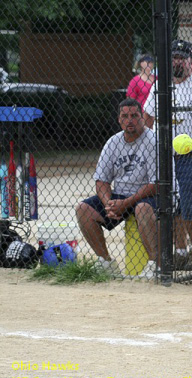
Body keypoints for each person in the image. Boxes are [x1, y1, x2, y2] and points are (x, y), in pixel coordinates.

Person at [144, 39, 192, 265]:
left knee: (189, 205)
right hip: (166, 156)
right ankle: (180, 252)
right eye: (174, 57)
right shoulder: (160, 84)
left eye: (182, 57)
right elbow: (148, 117)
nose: (177, 61)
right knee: (173, 206)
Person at [75, 98, 158, 278]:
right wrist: (109, 204)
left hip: (149, 195)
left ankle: (155, 264)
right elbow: (102, 181)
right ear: (119, 120)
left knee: (142, 208)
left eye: (135, 116)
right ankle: (106, 262)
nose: (130, 120)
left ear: (142, 118)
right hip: (120, 195)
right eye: (125, 116)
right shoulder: (113, 142)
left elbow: (155, 185)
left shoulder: (152, 141)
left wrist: (126, 203)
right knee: (83, 209)